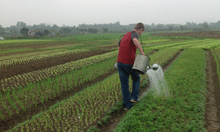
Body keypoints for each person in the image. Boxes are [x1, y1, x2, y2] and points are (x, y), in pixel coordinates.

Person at [117, 22, 145, 111]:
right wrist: (142, 52)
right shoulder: (134, 34)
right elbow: (135, 40)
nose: (141, 33)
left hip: (120, 63)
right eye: (141, 31)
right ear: (139, 30)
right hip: (128, 63)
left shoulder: (125, 35)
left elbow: (119, 44)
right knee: (136, 78)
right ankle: (134, 98)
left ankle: (127, 106)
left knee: (124, 85)